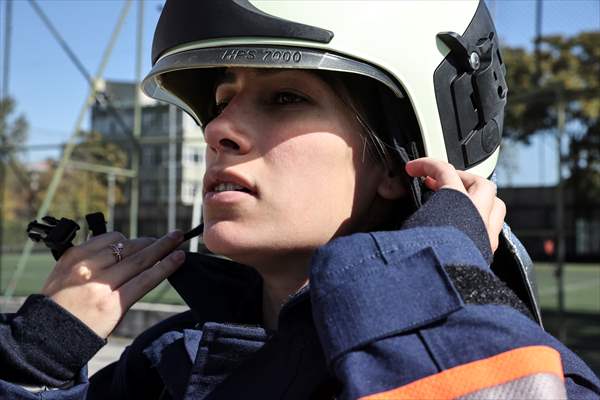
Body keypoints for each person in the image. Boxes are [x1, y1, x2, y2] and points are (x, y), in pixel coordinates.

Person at [1, 0, 599, 399]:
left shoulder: (539, 375)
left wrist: (432, 283)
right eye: (222, 98)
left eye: (284, 97)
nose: (216, 129)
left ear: (399, 163)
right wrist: (33, 361)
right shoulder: (168, 366)